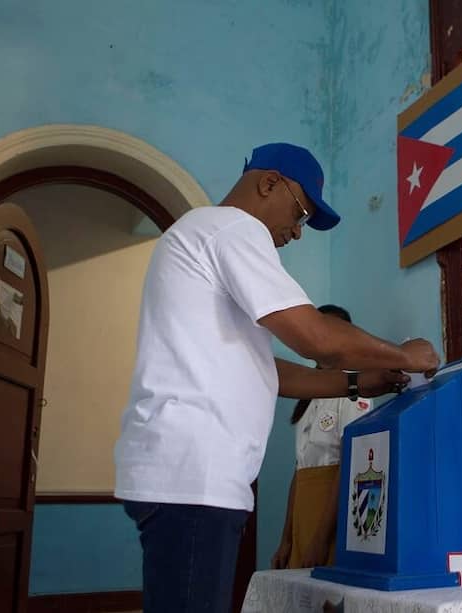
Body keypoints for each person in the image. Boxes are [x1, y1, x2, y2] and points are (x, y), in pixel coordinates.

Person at [113, 142, 440, 613]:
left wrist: (355, 383)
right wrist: (402, 354)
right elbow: (314, 338)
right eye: (301, 212)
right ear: (269, 183)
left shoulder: (204, 238)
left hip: (185, 468)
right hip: (193, 470)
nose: (298, 232)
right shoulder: (231, 229)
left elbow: (270, 372)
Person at [271, 304, 373, 570]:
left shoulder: (354, 391)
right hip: (304, 510)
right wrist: (286, 539)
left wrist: (321, 539)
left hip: (330, 512)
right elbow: (300, 469)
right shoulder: (309, 392)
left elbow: (349, 466)